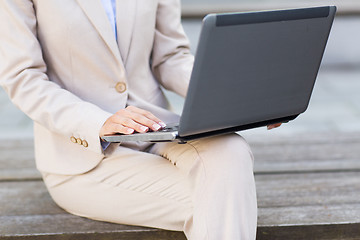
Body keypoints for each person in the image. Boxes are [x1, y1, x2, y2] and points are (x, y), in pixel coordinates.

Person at [0, 0, 281, 239]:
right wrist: (98, 121)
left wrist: (238, 94)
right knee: (229, 201)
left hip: (157, 128)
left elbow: (170, 57)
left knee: (231, 148)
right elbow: (23, 78)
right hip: (83, 156)